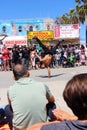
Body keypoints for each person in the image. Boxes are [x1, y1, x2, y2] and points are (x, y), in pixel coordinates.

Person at [7, 64, 55, 130]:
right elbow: (52, 100)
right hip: (41, 126)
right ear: (28, 73)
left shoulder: (10, 89)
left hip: (20, 128)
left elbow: (11, 106)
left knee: (7, 108)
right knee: (52, 105)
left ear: (14, 77)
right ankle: (48, 120)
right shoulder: (42, 85)